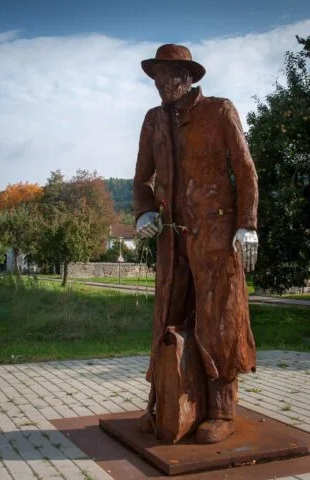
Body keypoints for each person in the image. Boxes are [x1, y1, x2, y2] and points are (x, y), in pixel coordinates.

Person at [134, 44, 258, 444]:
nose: (160, 84)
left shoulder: (219, 111)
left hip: (216, 237)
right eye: (155, 77)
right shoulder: (154, 122)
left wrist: (247, 224)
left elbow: (245, 169)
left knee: (217, 318)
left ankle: (221, 409)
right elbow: (142, 181)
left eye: (166, 75)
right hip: (172, 239)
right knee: (168, 314)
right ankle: (165, 400)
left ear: (186, 76)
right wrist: (144, 213)